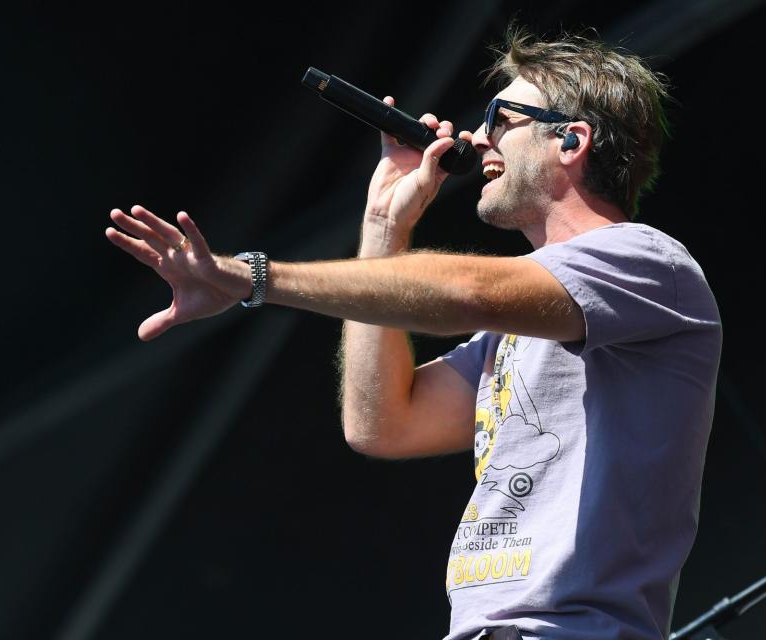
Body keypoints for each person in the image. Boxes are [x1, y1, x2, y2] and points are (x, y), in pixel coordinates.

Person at [105, 26, 722, 640]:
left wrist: (251, 277)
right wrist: (382, 226)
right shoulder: (512, 338)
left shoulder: (644, 262)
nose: (480, 136)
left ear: (570, 140)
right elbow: (383, 423)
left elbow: (466, 292)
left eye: (500, 116)